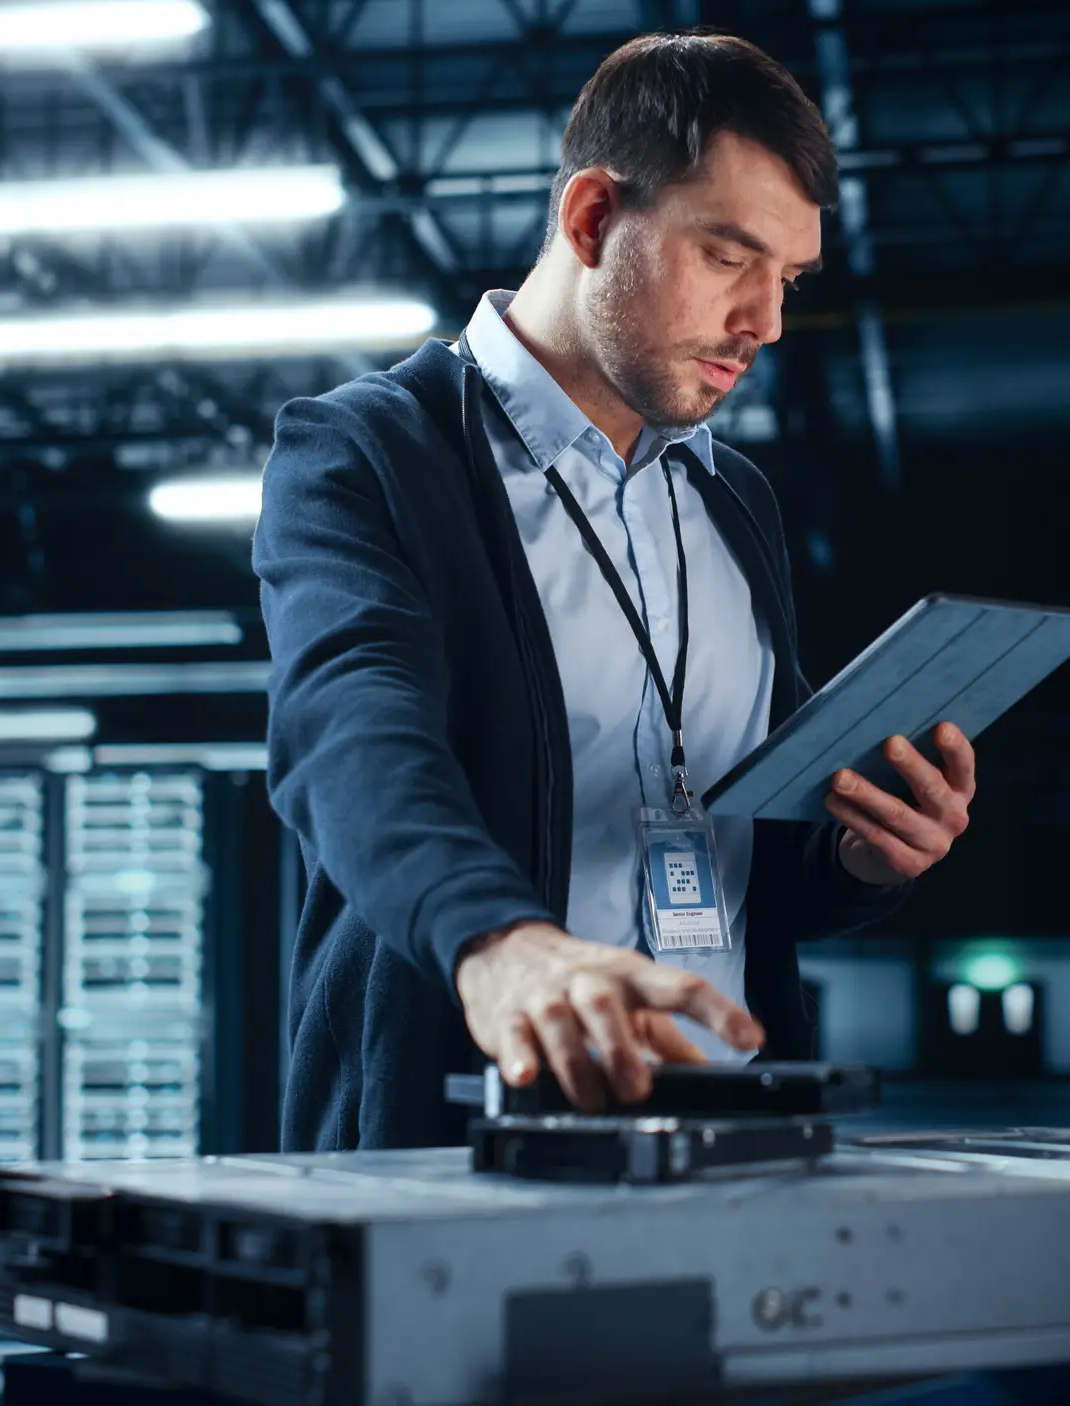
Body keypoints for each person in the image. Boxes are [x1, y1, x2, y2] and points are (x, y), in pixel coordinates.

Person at [253, 31, 980, 1152]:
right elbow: (347, 734)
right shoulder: (370, 454)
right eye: (729, 257)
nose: (767, 323)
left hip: (735, 1140)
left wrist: (855, 856)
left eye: (787, 280)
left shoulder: (733, 501)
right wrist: (496, 941)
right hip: (461, 1146)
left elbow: (744, 853)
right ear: (592, 217)